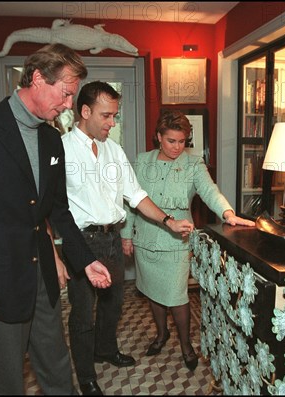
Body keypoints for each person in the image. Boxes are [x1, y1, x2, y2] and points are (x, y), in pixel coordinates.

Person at [0, 43, 113, 395]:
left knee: (57, 367)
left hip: (41, 277)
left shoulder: (51, 139)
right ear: (36, 78)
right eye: (65, 94)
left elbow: (58, 212)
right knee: (6, 380)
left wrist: (85, 260)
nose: (67, 105)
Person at [62, 81, 194, 396]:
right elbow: (53, 207)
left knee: (114, 303)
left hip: (110, 239)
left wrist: (169, 221)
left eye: (115, 116)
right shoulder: (62, 149)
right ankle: (85, 376)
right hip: (80, 240)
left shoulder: (114, 150)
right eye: (107, 116)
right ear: (85, 111)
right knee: (82, 312)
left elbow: (135, 195)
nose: (113, 123)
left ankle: (105, 349)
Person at [121, 110, 255, 371]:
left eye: (182, 141)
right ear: (159, 137)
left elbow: (209, 191)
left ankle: (186, 344)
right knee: (151, 290)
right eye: (171, 140)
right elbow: (130, 200)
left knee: (176, 295)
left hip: (177, 239)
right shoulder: (141, 161)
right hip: (145, 238)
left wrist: (228, 213)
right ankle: (161, 335)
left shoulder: (194, 164)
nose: (177, 147)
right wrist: (126, 234)